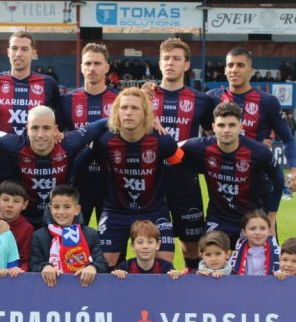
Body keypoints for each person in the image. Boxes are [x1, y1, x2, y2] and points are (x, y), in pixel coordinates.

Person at [0, 105, 107, 228]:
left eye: (46, 128)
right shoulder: (15, 144)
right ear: (27, 128)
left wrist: (125, 119)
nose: (40, 134)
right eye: (35, 128)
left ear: (55, 129)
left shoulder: (69, 143)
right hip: (25, 215)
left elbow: (100, 124)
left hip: (60, 215)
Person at [92, 87, 184, 268]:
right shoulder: (104, 142)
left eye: (135, 108)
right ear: (117, 112)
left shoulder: (163, 142)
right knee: (103, 264)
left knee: (164, 265)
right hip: (116, 210)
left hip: (154, 209)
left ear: (146, 113)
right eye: (124, 108)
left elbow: (180, 165)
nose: (128, 113)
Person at [146, 38, 215, 273]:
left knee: (191, 244)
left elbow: (213, 137)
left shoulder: (202, 100)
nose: (170, 63)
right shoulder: (145, 97)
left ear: (186, 65)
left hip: (186, 181)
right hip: (151, 181)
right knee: (155, 242)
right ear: (159, 63)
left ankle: (191, 283)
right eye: (166, 58)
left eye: (176, 58)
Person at [178, 102, 283, 248]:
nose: (226, 130)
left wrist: (271, 217)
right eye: (221, 125)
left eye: (232, 125)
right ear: (214, 127)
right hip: (219, 218)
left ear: (240, 127)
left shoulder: (259, 152)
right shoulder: (200, 146)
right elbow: (171, 146)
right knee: (209, 258)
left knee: (262, 266)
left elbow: (278, 180)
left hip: (252, 218)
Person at [206, 48, 296, 193]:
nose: (234, 70)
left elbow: (288, 140)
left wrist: (294, 170)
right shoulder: (212, 98)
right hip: (223, 181)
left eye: (240, 65)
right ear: (225, 70)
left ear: (251, 70)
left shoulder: (268, 101)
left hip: (259, 182)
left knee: (264, 216)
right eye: (230, 65)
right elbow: (207, 135)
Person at [0, 31, 60, 188]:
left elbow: (59, 119)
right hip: (0, 164)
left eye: (24, 49)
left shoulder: (48, 83)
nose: (18, 53)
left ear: (33, 53)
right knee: (0, 211)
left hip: (36, 163)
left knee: (34, 211)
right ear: (8, 52)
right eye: (14, 48)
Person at [57, 43, 118, 225]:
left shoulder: (120, 100)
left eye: (97, 64)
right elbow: (56, 135)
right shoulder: (66, 101)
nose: (92, 68)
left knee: (112, 248)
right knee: (71, 242)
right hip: (76, 182)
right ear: (81, 66)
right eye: (88, 63)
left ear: (107, 67)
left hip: (111, 183)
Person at [30, 185, 109, 287]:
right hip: (49, 290)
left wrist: (93, 268)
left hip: (83, 288)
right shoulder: (39, 236)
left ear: (77, 209)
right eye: (56, 207)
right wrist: (44, 267)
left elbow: (103, 264)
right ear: (50, 209)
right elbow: (33, 265)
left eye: (67, 207)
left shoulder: (90, 234)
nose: (61, 212)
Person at [111, 220, 181, 278]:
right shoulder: (125, 267)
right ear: (132, 246)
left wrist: (175, 275)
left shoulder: (166, 267)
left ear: (157, 245)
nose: (145, 246)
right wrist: (117, 274)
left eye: (150, 242)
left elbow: (173, 289)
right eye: (140, 242)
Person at [0, 181, 34, 272]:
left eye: (16, 201)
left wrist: (21, 269)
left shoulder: (27, 229)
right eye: (5, 200)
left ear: (24, 205)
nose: (10, 205)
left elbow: (25, 259)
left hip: (12, 276)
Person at [229, 210, 281, 276]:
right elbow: (227, 274)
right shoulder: (236, 255)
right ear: (244, 232)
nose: (258, 233)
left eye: (262, 228)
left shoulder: (279, 254)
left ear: (269, 231)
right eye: (252, 229)